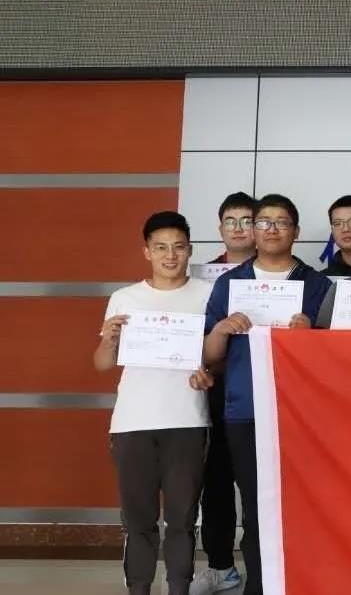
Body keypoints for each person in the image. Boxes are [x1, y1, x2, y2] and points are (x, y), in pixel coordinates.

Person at [193, 194, 331, 595]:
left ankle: (304, 582)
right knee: (255, 505)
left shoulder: (317, 284)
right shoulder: (230, 283)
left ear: (296, 231)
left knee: (305, 503)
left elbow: (337, 357)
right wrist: (221, 330)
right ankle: (260, 584)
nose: (272, 229)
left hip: (303, 412)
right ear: (253, 230)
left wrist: (311, 337)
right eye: (264, 222)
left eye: (281, 222)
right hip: (246, 409)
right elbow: (210, 356)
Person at [93, 211, 212, 595]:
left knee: (182, 520)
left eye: (178, 247)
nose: (170, 255)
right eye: (161, 248)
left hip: (188, 419)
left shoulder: (208, 294)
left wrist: (209, 374)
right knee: (139, 521)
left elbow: (216, 356)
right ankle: (139, 588)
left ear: (190, 250)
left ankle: (179, 588)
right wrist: (108, 339)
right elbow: (102, 363)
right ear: (147, 252)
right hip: (133, 423)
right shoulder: (125, 298)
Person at [191, 194, 255, 595]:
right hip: (213, 389)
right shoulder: (201, 277)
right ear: (220, 229)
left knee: (259, 485)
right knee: (215, 481)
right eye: (230, 221)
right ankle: (220, 566)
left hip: (258, 391)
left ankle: (265, 569)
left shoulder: (280, 275)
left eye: (247, 220)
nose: (239, 228)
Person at [208, 192, 257, 265]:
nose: (238, 229)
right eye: (230, 223)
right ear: (221, 231)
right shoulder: (206, 270)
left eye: (246, 222)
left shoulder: (273, 268)